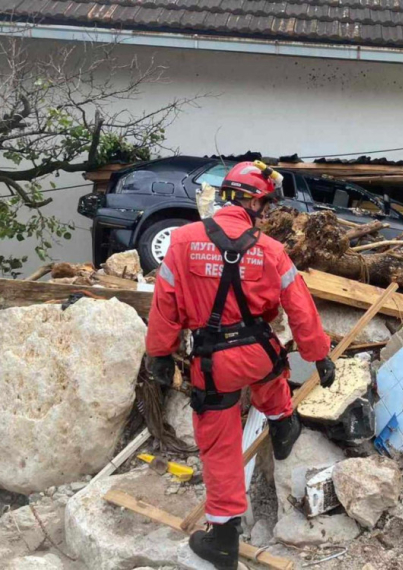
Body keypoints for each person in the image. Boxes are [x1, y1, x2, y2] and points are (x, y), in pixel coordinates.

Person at [146, 161, 335, 570]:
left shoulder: (182, 242)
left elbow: (165, 306)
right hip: (259, 352)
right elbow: (299, 308)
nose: (266, 214)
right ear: (251, 201)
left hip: (213, 362)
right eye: (264, 206)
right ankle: (284, 425)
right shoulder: (271, 251)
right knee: (271, 376)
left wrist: (159, 353)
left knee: (219, 445)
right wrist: (320, 355)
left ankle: (224, 537)